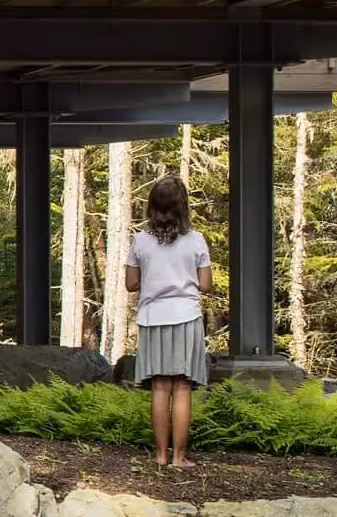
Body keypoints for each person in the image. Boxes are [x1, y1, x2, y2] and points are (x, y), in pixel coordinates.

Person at [125, 174, 212, 468]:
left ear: (153, 206)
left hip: (152, 318)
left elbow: (131, 283)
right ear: (182, 206)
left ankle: (160, 455)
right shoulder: (196, 240)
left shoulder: (140, 240)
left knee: (160, 388)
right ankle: (179, 457)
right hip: (186, 317)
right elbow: (206, 284)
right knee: (182, 388)